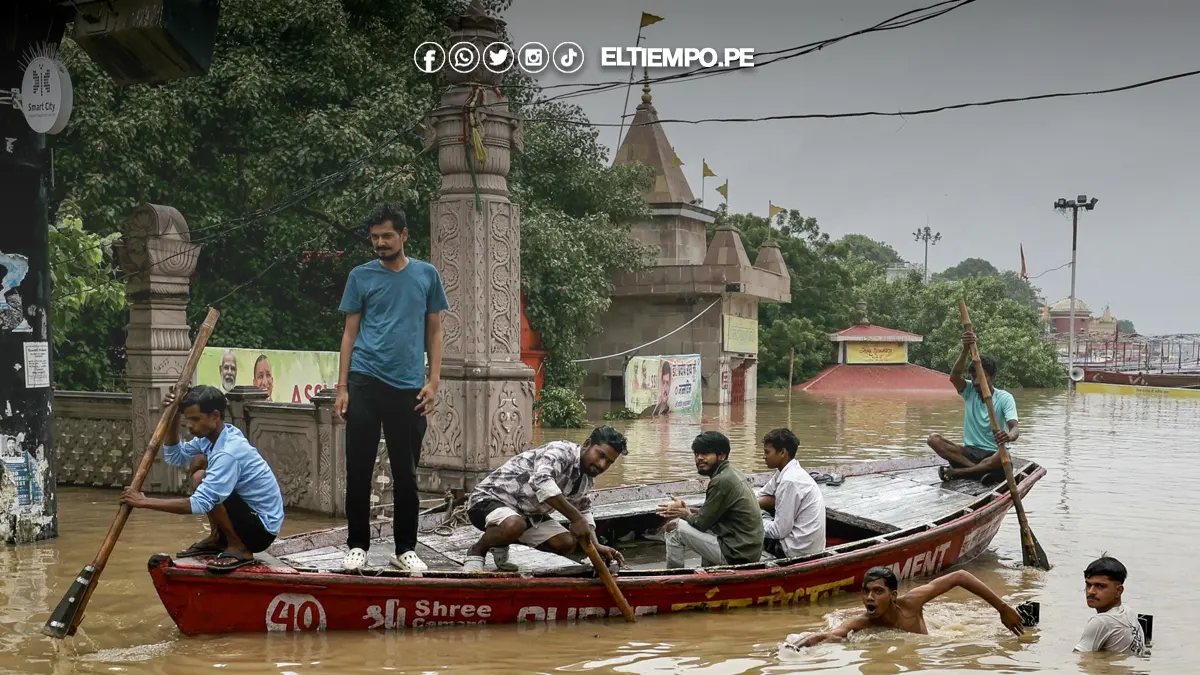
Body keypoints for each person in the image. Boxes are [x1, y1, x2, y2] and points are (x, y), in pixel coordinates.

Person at [336, 203, 449, 572]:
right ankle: (356, 545)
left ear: (403, 235)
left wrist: (433, 381)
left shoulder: (426, 275)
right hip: (365, 380)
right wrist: (342, 387)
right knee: (359, 468)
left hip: (409, 387)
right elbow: (349, 333)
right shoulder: (360, 276)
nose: (380, 243)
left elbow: (435, 330)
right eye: (375, 238)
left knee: (406, 471)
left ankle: (405, 549)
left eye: (387, 236)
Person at [120, 385, 285, 573]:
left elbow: (199, 504)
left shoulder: (228, 452)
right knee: (199, 476)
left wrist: (143, 501)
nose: (190, 425)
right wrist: (173, 416)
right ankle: (218, 538)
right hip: (250, 518)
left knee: (208, 486)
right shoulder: (211, 438)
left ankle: (239, 549)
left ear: (215, 416)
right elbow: (175, 456)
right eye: (187, 419)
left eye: (195, 419)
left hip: (261, 531)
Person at [462, 426, 628, 573]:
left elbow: (583, 509)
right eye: (600, 455)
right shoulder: (560, 451)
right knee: (514, 525)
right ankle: (477, 551)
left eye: (609, 462)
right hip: (488, 500)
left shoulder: (587, 478)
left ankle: (500, 543)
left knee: (566, 542)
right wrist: (575, 518)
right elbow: (541, 481)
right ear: (587, 444)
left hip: (528, 514)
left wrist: (595, 546)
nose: (601, 464)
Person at [792, 566, 1025, 647]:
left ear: (893, 595)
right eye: (866, 592)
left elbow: (960, 576)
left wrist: (1002, 608)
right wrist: (797, 645)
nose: (869, 598)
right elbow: (830, 635)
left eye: (877, 591)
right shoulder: (862, 622)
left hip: (937, 636)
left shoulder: (912, 602)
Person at [657, 431, 763, 568]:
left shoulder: (722, 481)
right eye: (696, 454)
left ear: (721, 456)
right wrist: (687, 509)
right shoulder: (731, 473)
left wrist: (684, 513)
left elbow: (701, 523)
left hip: (736, 553)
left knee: (673, 527)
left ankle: (674, 577)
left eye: (705, 454)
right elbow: (711, 513)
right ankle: (709, 572)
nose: (699, 458)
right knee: (700, 526)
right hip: (746, 549)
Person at [927, 329, 1019, 483]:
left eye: (982, 377)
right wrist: (965, 349)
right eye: (973, 377)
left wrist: (1008, 436)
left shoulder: (1004, 398)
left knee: (1004, 456)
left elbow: (1015, 428)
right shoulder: (969, 391)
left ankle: (960, 472)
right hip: (970, 451)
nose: (977, 382)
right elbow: (954, 376)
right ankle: (975, 472)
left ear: (992, 377)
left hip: (992, 453)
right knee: (933, 439)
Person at [757, 428, 826, 558]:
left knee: (745, 520)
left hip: (795, 550)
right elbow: (761, 494)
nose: (764, 456)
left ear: (783, 452)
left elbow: (779, 531)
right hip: (800, 543)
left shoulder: (790, 481)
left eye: (767, 452)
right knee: (751, 510)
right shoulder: (785, 471)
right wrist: (755, 503)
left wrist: (750, 521)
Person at [1074, 555, 1148, 656]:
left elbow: (1078, 661)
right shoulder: (1128, 613)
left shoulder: (1102, 621)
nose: (1091, 592)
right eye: (1088, 585)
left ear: (1118, 591)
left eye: (1100, 586)